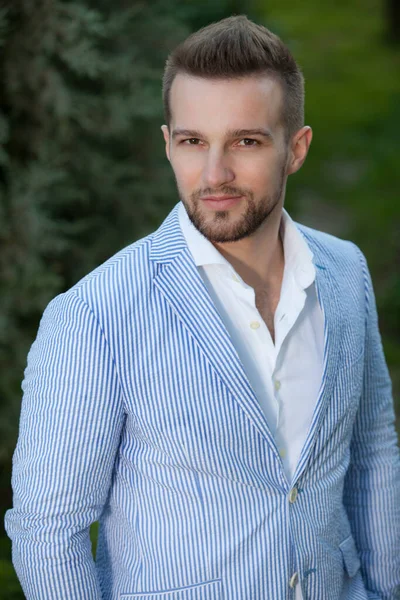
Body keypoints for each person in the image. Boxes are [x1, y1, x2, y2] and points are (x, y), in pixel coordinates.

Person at [5, 15, 400, 600]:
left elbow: (372, 451)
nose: (214, 175)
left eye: (245, 141)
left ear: (296, 148)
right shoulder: (94, 316)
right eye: (193, 142)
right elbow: (48, 530)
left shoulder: (345, 272)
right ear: (168, 144)